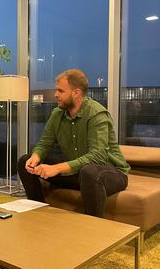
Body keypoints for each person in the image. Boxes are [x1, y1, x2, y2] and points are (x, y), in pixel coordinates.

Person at [18, 69, 130, 218]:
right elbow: (45, 142)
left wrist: (57, 168)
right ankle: (38, 214)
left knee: (89, 172)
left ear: (76, 93)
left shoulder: (96, 114)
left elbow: (98, 156)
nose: (55, 94)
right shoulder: (57, 114)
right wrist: (36, 157)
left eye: (60, 91)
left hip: (109, 173)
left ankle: (94, 229)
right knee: (24, 161)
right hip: (78, 173)